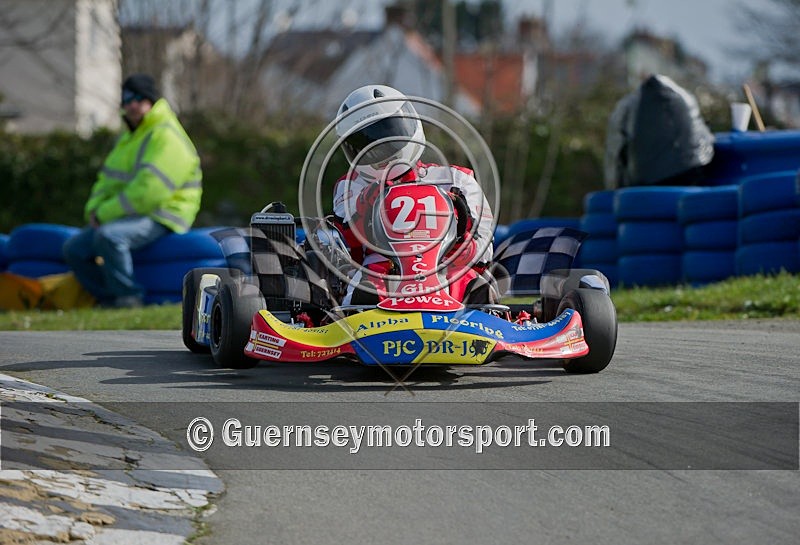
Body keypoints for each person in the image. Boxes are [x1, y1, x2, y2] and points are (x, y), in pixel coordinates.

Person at [330, 84, 495, 305]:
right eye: (365, 143)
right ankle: (362, 314)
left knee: (472, 282)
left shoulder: (457, 180)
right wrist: (365, 208)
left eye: (386, 135)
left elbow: (484, 255)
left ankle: (476, 313)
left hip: (446, 265)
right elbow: (350, 252)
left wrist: (460, 234)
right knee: (362, 287)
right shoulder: (352, 187)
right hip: (381, 272)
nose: (379, 150)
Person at [63, 73, 202, 308]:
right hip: (132, 213)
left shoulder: (166, 135)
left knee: (110, 237)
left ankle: (129, 297)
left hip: (164, 214)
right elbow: (106, 182)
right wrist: (94, 211)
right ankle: (108, 299)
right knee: (74, 248)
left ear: (151, 100)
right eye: (126, 99)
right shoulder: (130, 138)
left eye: (138, 98)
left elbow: (149, 193)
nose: (131, 104)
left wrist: (105, 215)